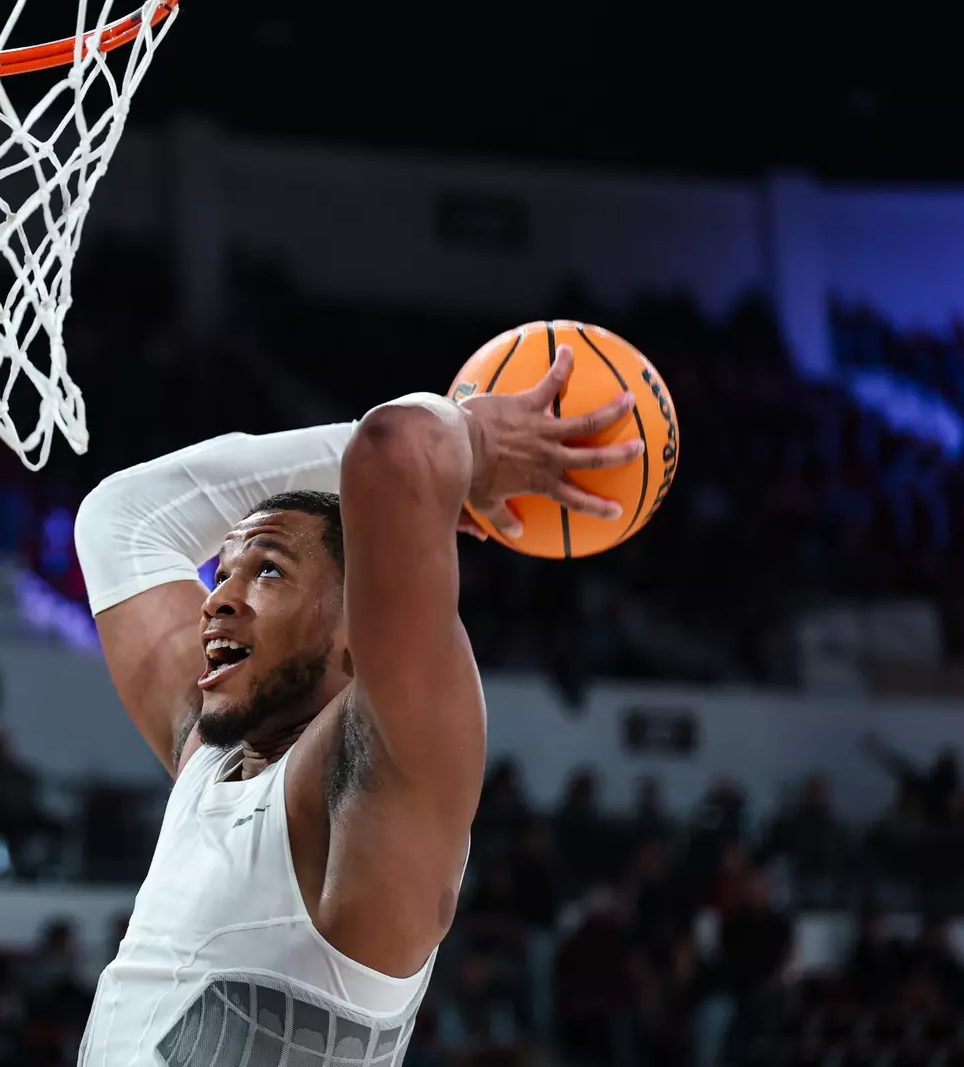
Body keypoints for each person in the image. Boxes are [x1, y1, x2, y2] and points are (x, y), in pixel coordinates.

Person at [72, 347, 640, 1065]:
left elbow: (396, 451)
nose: (216, 598)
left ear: (355, 635)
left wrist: (476, 443)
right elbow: (122, 520)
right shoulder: (210, 761)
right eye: (225, 570)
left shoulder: (374, 782)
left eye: (268, 570)